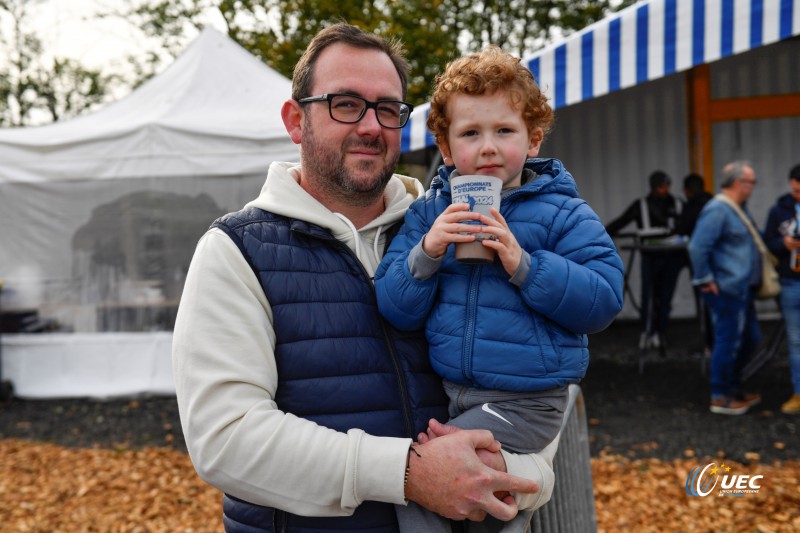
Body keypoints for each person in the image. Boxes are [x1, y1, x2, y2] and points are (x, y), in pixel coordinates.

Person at [172, 23, 557, 533]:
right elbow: (226, 439)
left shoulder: (456, 231)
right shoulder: (235, 251)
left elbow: (529, 373)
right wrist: (407, 474)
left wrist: (521, 472)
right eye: (346, 104)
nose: (371, 126)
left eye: (387, 109)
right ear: (295, 120)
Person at [374, 47, 624, 532]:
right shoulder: (429, 214)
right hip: (452, 396)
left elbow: (604, 300)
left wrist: (525, 265)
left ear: (532, 141)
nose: (487, 147)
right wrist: (427, 251)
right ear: (446, 150)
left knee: (426, 482)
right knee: (478, 503)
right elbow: (394, 307)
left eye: (503, 131)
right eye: (470, 133)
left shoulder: (563, 214)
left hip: (528, 401)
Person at [688, 161, 763, 415]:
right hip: (726, 289)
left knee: (749, 339)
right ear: (739, 183)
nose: (753, 187)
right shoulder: (719, 210)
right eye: (751, 182)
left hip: (740, 288)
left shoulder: (736, 209)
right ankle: (720, 395)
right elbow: (698, 247)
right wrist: (706, 279)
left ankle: (732, 388)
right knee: (728, 342)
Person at [605, 171, 684, 350]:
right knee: (648, 295)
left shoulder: (676, 203)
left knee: (665, 297)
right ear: (654, 187)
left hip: (671, 257)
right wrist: (600, 234)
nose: (665, 189)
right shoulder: (641, 205)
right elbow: (621, 222)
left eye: (667, 185)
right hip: (650, 257)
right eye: (662, 186)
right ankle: (646, 331)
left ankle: (660, 332)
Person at [763, 163, 800, 415]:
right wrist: (782, 242)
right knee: (796, 342)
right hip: (790, 282)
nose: (798, 195)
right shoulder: (779, 210)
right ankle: (798, 393)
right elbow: (768, 242)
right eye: (796, 191)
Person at [676, 173, 714, 352]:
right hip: (720, 262)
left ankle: (709, 344)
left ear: (687, 191)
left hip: (700, 263)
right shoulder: (716, 203)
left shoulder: (690, 207)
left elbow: (682, 230)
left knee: (704, 304)